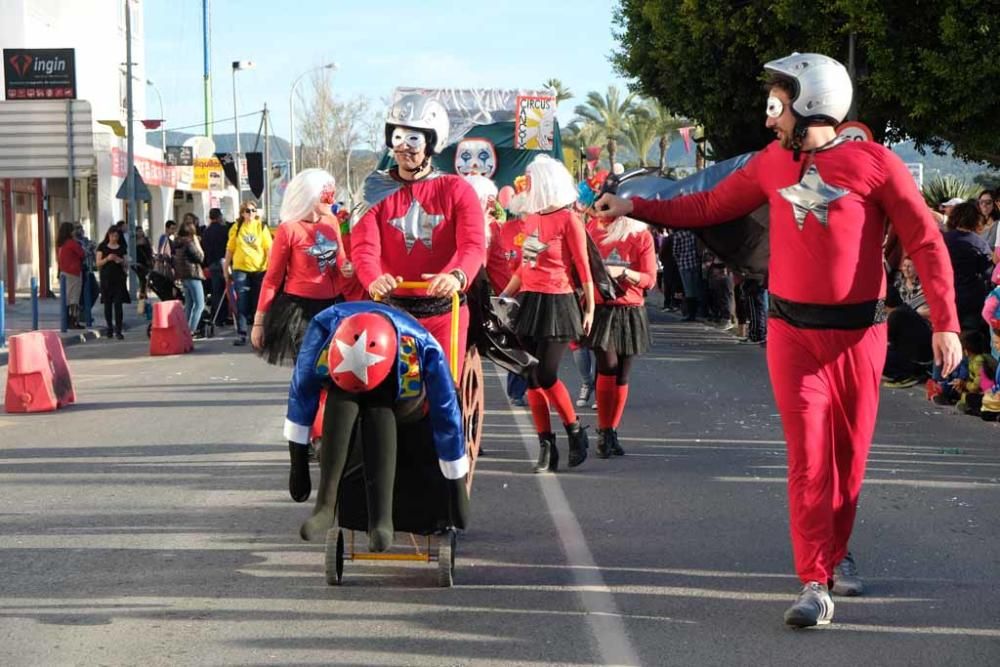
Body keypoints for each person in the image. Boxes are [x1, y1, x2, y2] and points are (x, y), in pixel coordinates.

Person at [595, 52, 961, 628]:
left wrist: (946, 321)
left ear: (810, 101)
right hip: (792, 333)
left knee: (848, 460)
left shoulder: (877, 164)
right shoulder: (770, 163)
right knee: (810, 458)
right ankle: (814, 580)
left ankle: (837, 552)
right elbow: (709, 203)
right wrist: (637, 205)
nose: (770, 121)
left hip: (860, 338)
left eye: (777, 107)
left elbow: (925, 241)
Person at [285, 303, 468, 552]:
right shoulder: (324, 326)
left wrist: (457, 489)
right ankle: (325, 507)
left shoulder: (424, 344)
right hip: (344, 382)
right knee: (342, 402)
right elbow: (302, 390)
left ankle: (381, 521)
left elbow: (447, 414)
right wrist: (298, 466)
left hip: (403, 392)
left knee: (378, 411)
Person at [351, 93, 486, 374]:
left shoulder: (457, 190)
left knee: (442, 391)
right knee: (380, 386)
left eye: (413, 139)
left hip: (444, 313)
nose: (404, 148)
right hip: (390, 311)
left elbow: (472, 246)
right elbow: (364, 248)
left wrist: (456, 276)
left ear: (431, 142)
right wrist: (373, 279)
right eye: (398, 138)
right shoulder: (373, 189)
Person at [500, 154, 594, 473]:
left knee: (547, 374)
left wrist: (590, 307)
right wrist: (502, 298)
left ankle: (574, 430)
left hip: (559, 301)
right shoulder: (530, 219)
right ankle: (546, 444)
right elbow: (522, 269)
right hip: (529, 300)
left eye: (532, 180)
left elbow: (583, 266)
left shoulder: (570, 220)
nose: (527, 186)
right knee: (530, 375)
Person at [252, 168, 351, 368]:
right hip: (301, 310)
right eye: (327, 195)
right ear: (310, 196)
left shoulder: (332, 222)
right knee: (308, 371)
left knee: (339, 369)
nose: (332, 200)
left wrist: (347, 266)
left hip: (334, 305)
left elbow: (340, 257)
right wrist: (259, 322)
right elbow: (272, 279)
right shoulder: (288, 229)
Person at [585, 215, 656, 457]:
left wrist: (624, 272)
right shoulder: (592, 229)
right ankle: (604, 432)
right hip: (601, 308)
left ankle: (611, 430)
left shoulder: (641, 235)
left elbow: (650, 279)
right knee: (607, 366)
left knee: (622, 373)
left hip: (630, 310)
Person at [226, 201, 272, 346]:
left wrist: (272, 268)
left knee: (258, 302)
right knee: (242, 302)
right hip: (241, 270)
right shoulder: (236, 227)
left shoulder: (261, 227)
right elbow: (230, 248)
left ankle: (259, 333)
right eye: (247, 211)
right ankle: (242, 334)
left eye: (253, 210)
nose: (251, 213)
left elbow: (268, 249)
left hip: (259, 270)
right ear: (242, 213)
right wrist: (226, 267)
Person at [943, 201, 992, 332]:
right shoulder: (980, 244)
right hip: (972, 298)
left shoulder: (943, 240)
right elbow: (988, 273)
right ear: (977, 220)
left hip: (946, 295)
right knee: (970, 337)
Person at [95, 225, 131, 340]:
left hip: (119, 279)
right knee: (108, 305)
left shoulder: (121, 248)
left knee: (118, 305)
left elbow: (126, 263)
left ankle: (118, 330)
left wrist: (120, 260)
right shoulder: (102, 247)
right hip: (106, 279)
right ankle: (109, 327)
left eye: (116, 236)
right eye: (112, 236)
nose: (114, 238)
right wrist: (108, 259)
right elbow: (98, 263)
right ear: (108, 235)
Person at [173, 218, 206, 338]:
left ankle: (184, 330)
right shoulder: (189, 243)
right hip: (193, 275)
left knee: (189, 304)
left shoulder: (178, 243)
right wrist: (197, 244)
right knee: (199, 305)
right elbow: (201, 257)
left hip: (184, 276)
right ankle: (190, 331)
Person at [202, 208, 230, 326]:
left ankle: (217, 317)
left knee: (216, 291)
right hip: (223, 262)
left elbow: (205, 248)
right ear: (219, 217)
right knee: (226, 290)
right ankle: (224, 315)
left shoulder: (206, 231)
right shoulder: (224, 230)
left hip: (212, 263)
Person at [56, 222, 86, 329]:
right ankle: (73, 321)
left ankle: (67, 320)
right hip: (74, 272)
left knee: (67, 297)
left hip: (64, 272)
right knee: (74, 298)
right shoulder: (71, 243)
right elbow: (82, 254)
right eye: (73, 230)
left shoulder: (61, 243)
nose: (75, 232)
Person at [134, 227, 153, 299]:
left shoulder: (146, 240)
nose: (140, 233)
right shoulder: (134, 241)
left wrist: (150, 260)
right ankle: (143, 295)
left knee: (145, 280)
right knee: (142, 279)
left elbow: (149, 251)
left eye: (141, 231)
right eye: (138, 231)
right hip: (138, 262)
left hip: (146, 262)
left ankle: (143, 294)